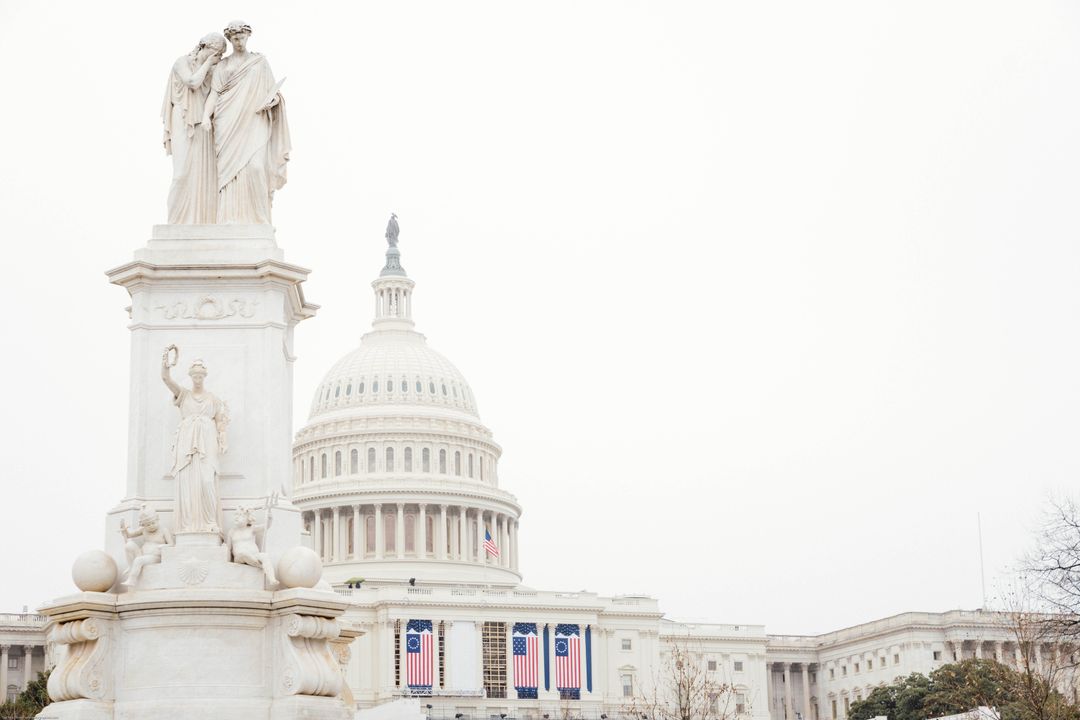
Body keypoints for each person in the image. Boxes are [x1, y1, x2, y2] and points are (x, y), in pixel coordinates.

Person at [201, 20, 291, 224]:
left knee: (256, 167)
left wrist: (273, 101)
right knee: (228, 174)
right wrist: (206, 116)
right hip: (227, 121)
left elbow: (273, 92)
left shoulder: (259, 62)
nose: (238, 41)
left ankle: (261, 220)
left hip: (254, 119)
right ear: (230, 40)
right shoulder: (223, 65)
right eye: (234, 38)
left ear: (248, 37)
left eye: (241, 37)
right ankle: (228, 219)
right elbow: (214, 94)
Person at [162, 350, 229, 535]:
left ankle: (209, 521)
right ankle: (189, 523)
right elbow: (167, 380)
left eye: (200, 376)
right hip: (187, 440)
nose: (198, 379)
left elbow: (220, 421)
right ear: (191, 377)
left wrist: (223, 439)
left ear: (204, 377)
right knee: (188, 482)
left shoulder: (213, 399)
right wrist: (165, 367)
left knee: (207, 480)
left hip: (208, 440)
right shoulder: (183, 394)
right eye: (195, 376)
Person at [162, 33, 226, 224]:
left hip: (203, 125)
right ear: (204, 47)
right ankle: (174, 223)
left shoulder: (214, 71)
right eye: (217, 54)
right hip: (183, 117)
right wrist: (208, 64)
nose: (219, 59)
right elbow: (192, 83)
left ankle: (201, 221)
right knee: (181, 173)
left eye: (221, 56)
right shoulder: (182, 62)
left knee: (203, 176)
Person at [119, 505, 173, 583]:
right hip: (142, 554)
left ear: (157, 519)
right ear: (143, 525)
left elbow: (171, 544)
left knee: (138, 560)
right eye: (147, 524)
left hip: (155, 557)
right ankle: (130, 565)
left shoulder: (164, 530)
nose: (151, 526)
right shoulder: (143, 530)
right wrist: (124, 529)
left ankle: (132, 579)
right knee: (129, 545)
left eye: (153, 523)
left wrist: (163, 546)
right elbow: (129, 535)